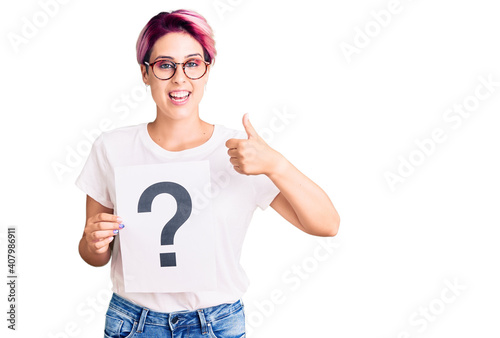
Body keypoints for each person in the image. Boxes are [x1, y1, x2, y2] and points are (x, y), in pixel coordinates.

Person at [76, 9, 340, 338]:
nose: (179, 78)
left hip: (216, 324)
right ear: (145, 73)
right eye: (164, 65)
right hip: (133, 322)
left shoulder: (240, 152)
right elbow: (93, 255)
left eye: (192, 63)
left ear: (206, 70)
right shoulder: (112, 148)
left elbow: (327, 224)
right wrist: (93, 242)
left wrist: (275, 163)